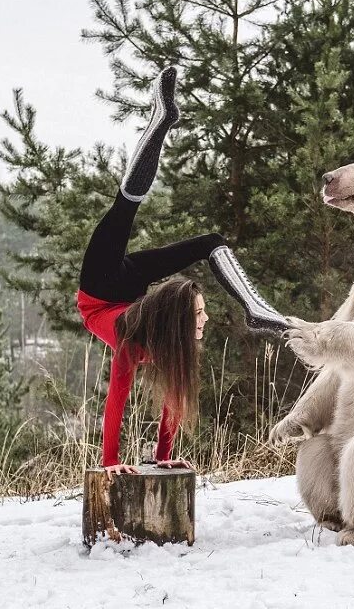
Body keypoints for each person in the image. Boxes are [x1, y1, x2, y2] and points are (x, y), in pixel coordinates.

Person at [77, 66, 287, 477]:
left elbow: (173, 399)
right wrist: (111, 464)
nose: (205, 319)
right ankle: (160, 119)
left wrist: (163, 456)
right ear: (176, 319)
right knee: (126, 207)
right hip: (98, 290)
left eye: (203, 312)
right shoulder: (130, 339)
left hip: (129, 288)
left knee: (211, 241)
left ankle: (254, 307)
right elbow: (115, 400)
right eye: (199, 314)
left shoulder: (174, 341)